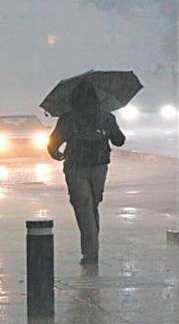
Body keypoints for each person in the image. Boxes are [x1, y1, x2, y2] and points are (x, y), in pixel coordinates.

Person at [47, 81, 126, 264]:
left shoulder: (68, 118)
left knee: (84, 206)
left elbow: (53, 144)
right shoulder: (105, 116)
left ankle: (90, 250)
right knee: (92, 205)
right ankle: (92, 247)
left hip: (75, 165)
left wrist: (56, 153)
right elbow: (119, 140)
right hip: (99, 165)